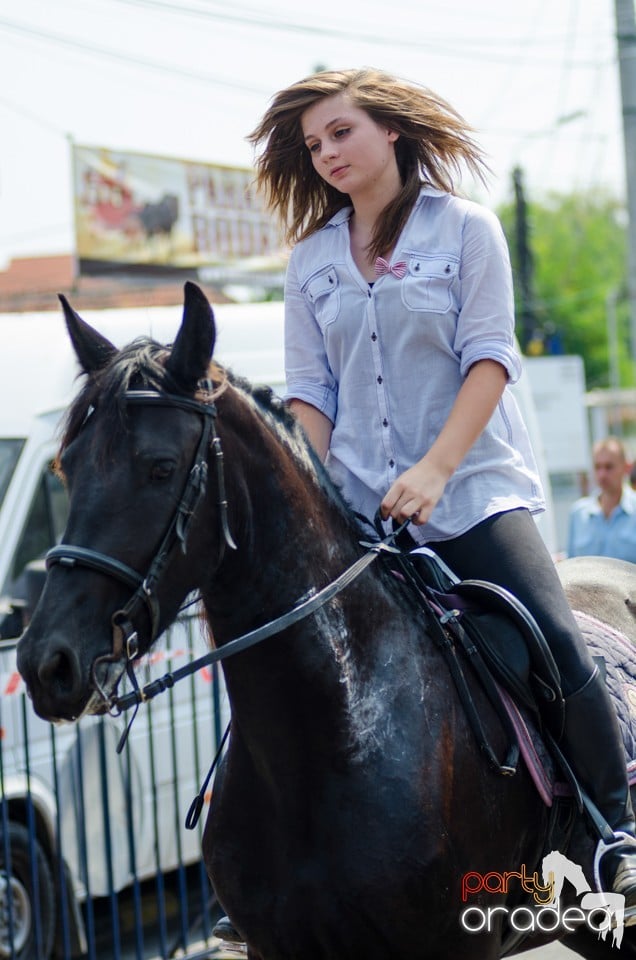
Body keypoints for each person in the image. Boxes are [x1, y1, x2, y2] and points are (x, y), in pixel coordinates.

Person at [213, 68, 636, 942]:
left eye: (341, 133)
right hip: (361, 508)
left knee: (552, 638)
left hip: (474, 493)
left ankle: (615, 838)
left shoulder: (466, 232)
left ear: (392, 132)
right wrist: (313, 502)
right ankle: (264, 868)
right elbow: (312, 402)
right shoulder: (311, 262)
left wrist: (439, 470)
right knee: (283, 666)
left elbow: (489, 360)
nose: (327, 153)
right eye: (314, 144)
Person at [568, 437, 636, 563]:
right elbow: (571, 567)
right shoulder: (578, 513)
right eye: (597, 467)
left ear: (626, 467)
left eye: (609, 467)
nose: (602, 475)